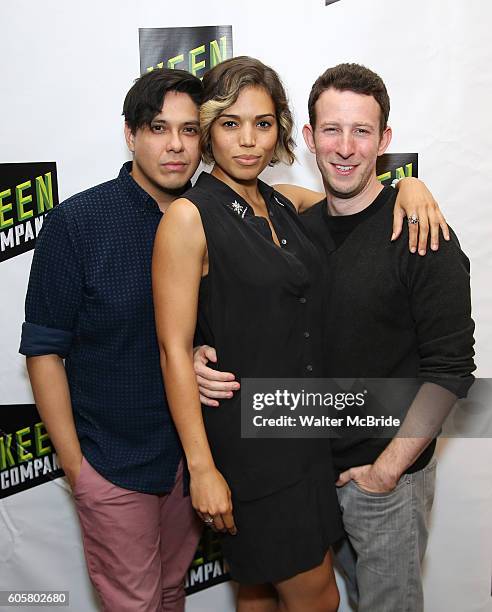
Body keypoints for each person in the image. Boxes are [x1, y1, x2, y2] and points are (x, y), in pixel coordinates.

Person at [152, 57, 449, 612]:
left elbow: (354, 200)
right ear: (209, 130)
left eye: (263, 124)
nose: (248, 141)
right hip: (253, 448)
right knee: (319, 600)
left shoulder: (283, 202)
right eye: (230, 123)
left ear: (282, 131)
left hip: (304, 434)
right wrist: (201, 469)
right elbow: (172, 348)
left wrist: (409, 185)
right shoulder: (188, 218)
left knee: (260, 593)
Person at [19, 68, 204, 612]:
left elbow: (299, 203)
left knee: (171, 595)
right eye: (157, 127)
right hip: (113, 461)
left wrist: (406, 184)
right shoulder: (78, 222)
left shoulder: (214, 215)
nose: (175, 145)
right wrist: (78, 468)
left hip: (193, 463)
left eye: (190, 130)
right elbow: (44, 349)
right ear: (130, 134)